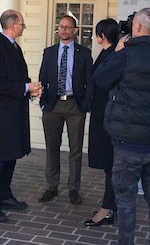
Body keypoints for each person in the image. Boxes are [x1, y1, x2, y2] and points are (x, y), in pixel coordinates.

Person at [94, 7, 150, 245]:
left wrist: (116, 51)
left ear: (137, 27)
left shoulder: (126, 54)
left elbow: (101, 78)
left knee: (126, 201)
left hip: (128, 144)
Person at [0, 9, 41, 222]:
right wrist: (26, 87)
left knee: (10, 156)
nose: (23, 27)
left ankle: (4, 195)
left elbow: (17, 78)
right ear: (12, 25)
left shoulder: (14, 47)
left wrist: (30, 88)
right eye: (22, 24)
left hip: (14, 112)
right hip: (1, 115)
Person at [38, 15, 94, 205]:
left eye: (68, 27)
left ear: (75, 30)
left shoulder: (84, 53)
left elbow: (90, 82)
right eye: (61, 27)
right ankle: (52, 186)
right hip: (52, 105)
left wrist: (85, 105)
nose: (63, 30)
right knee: (51, 147)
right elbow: (43, 78)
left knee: (75, 149)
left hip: (74, 105)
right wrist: (43, 103)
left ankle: (73, 188)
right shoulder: (49, 52)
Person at [85, 18, 119, 227]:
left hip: (107, 119)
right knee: (109, 165)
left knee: (111, 165)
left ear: (102, 35)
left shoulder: (113, 54)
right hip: (102, 116)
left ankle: (108, 209)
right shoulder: (110, 53)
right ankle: (110, 206)